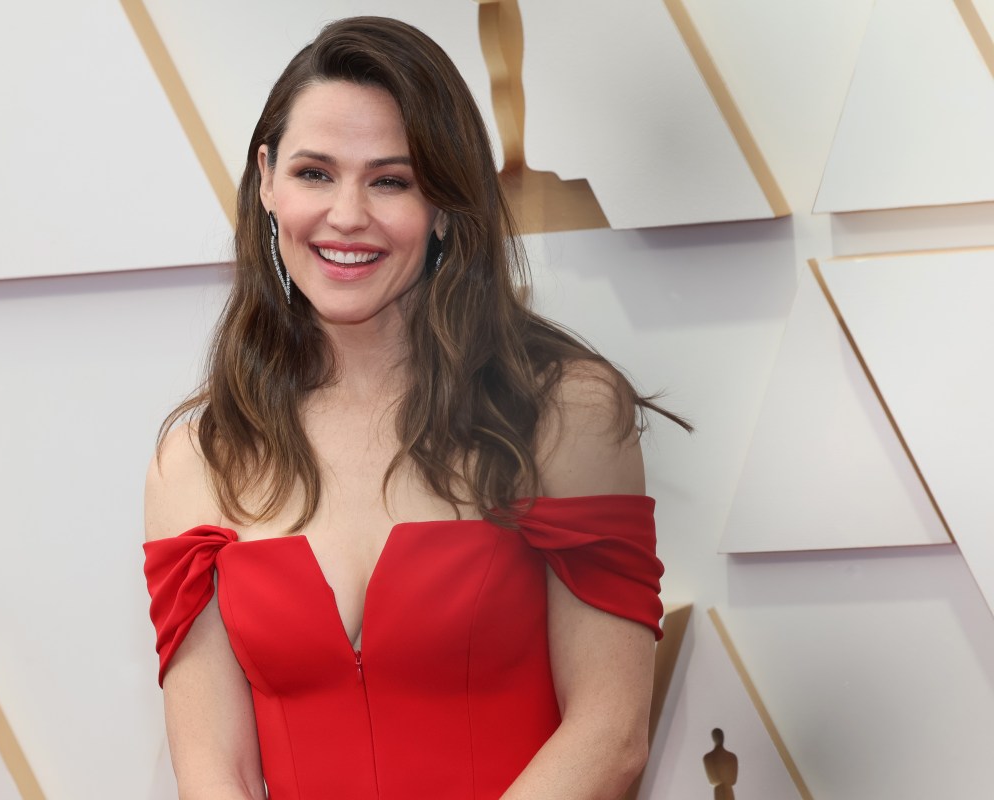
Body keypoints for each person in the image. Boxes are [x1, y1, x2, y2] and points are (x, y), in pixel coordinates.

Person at [144, 16, 686, 800]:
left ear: (445, 201)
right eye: (314, 173)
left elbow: (609, 736)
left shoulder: (565, 413)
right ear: (266, 179)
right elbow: (213, 771)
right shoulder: (195, 461)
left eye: (390, 180)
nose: (347, 216)